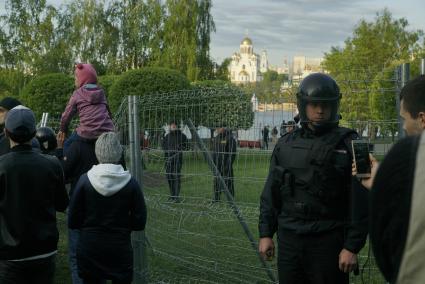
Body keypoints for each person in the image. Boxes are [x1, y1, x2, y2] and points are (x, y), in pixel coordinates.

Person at [258, 73, 369, 284]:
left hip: (329, 242)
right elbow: (271, 192)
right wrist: (265, 233)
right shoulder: (284, 144)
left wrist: (351, 247)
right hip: (289, 240)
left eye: (326, 105)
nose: (320, 110)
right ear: (303, 105)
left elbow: (361, 203)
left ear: (334, 106)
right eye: (314, 104)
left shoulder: (354, 144)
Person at [355, 75, 425, 283]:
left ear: (422, 119)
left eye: (404, 119)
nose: (403, 127)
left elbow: (395, 233)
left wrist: (385, 186)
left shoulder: (408, 157)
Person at [0, 106, 69, 284]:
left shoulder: (2, 166)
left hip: (10, 254)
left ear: (7, 133)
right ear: (33, 133)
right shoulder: (53, 164)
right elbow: (62, 204)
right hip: (44, 250)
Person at [68, 132, 147, 284]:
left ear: (97, 152)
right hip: (119, 248)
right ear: (119, 152)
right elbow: (139, 222)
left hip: (89, 248)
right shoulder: (131, 183)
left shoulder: (85, 180)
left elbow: (73, 220)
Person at [58, 63, 114, 150]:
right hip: (106, 131)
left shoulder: (77, 93)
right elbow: (108, 112)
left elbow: (67, 115)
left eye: (76, 78)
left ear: (82, 79)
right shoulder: (101, 92)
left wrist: (63, 129)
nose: (75, 80)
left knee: (67, 145)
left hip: (87, 132)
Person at [162, 121, 188, 202]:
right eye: (171, 125)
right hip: (168, 160)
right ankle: (172, 195)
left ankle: (176, 196)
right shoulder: (167, 136)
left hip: (177, 160)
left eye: (174, 124)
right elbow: (164, 147)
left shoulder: (182, 136)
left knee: (176, 177)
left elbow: (187, 147)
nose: (172, 126)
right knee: (169, 177)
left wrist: (179, 148)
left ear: (177, 126)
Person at [212, 125, 237, 201]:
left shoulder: (230, 138)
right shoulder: (216, 138)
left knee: (228, 182)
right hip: (217, 165)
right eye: (217, 128)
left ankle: (231, 198)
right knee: (217, 181)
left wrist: (228, 165)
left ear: (224, 128)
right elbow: (214, 151)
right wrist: (213, 162)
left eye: (219, 127)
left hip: (226, 165)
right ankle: (216, 198)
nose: (218, 129)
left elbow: (232, 153)